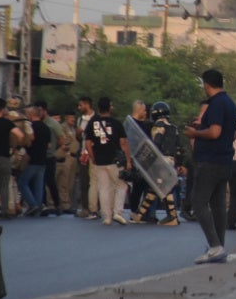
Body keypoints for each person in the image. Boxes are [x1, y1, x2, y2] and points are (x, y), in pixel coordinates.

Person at [185, 69, 236, 264]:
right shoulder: (230, 104)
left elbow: (215, 132)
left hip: (210, 161)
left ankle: (214, 246)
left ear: (207, 84)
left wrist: (195, 133)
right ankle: (219, 247)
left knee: (198, 203)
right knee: (217, 205)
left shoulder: (215, 104)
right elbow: (230, 134)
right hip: (225, 160)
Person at [131, 101, 183, 226]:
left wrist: (149, 159)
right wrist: (180, 163)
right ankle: (140, 214)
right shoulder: (173, 127)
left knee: (164, 188)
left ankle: (172, 216)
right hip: (171, 160)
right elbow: (179, 148)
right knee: (155, 188)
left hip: (160, 159)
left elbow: (156, 143)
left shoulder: (158, 126)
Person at [85, 97, 132, 226]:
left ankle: (107, 217)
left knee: (103, 188)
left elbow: (88, 143)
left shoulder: (92, 123)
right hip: (114, 160)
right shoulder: (116, 123)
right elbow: (123, 143)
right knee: (121, 185)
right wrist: (128, 160)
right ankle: (118, 212)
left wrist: (93, 157)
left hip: (99, 160)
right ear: (110, 107)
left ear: (98, 108)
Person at [17, 105, 49, 216]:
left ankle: (32, 204)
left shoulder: (30, 127)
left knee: (22, 182)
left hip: (32, 159)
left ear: (31, 115)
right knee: (39, 185)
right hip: (43, 159)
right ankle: (38, 205)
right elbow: (48, 144)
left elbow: (28, 141)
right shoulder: (46, 127)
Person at [74, 96, 98, 219]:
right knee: (84, 182)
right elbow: (79, 139)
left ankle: (95, 208)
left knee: (95, 182)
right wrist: (78, 134)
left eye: (81, 105)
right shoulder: (80, 120)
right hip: (84, 153)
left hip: (94, 152)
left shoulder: (96, 119)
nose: (79, 108)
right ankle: (85, 207)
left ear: (87, 105)